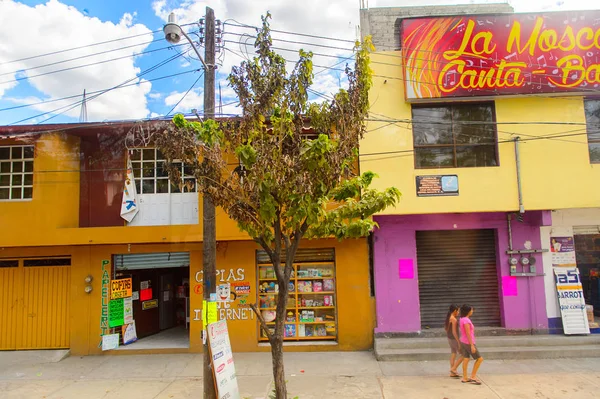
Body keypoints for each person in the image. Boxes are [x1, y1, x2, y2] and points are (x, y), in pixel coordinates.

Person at [459, 304, 484, 385]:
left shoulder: (462, 319)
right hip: (468, 342)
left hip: (463, 341)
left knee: (466, 358)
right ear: (468, 311)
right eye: (472, 310)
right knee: (479, 359)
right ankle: (473, 376)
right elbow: (468, 333)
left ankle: (465, 378)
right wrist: (472, 345)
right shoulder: (466, 320)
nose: (472, 311)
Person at [443, 304, 463, 378]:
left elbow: (446, 328)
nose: (458, 312)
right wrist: (458, 341)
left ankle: (453, 372)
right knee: (463, 354)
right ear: (455, 311)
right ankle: (453, 369)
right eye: (458, 311)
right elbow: (454, 332)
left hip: (449, 338)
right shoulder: (453, 319)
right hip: (454, 339)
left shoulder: (448, 317)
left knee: (453, 353)